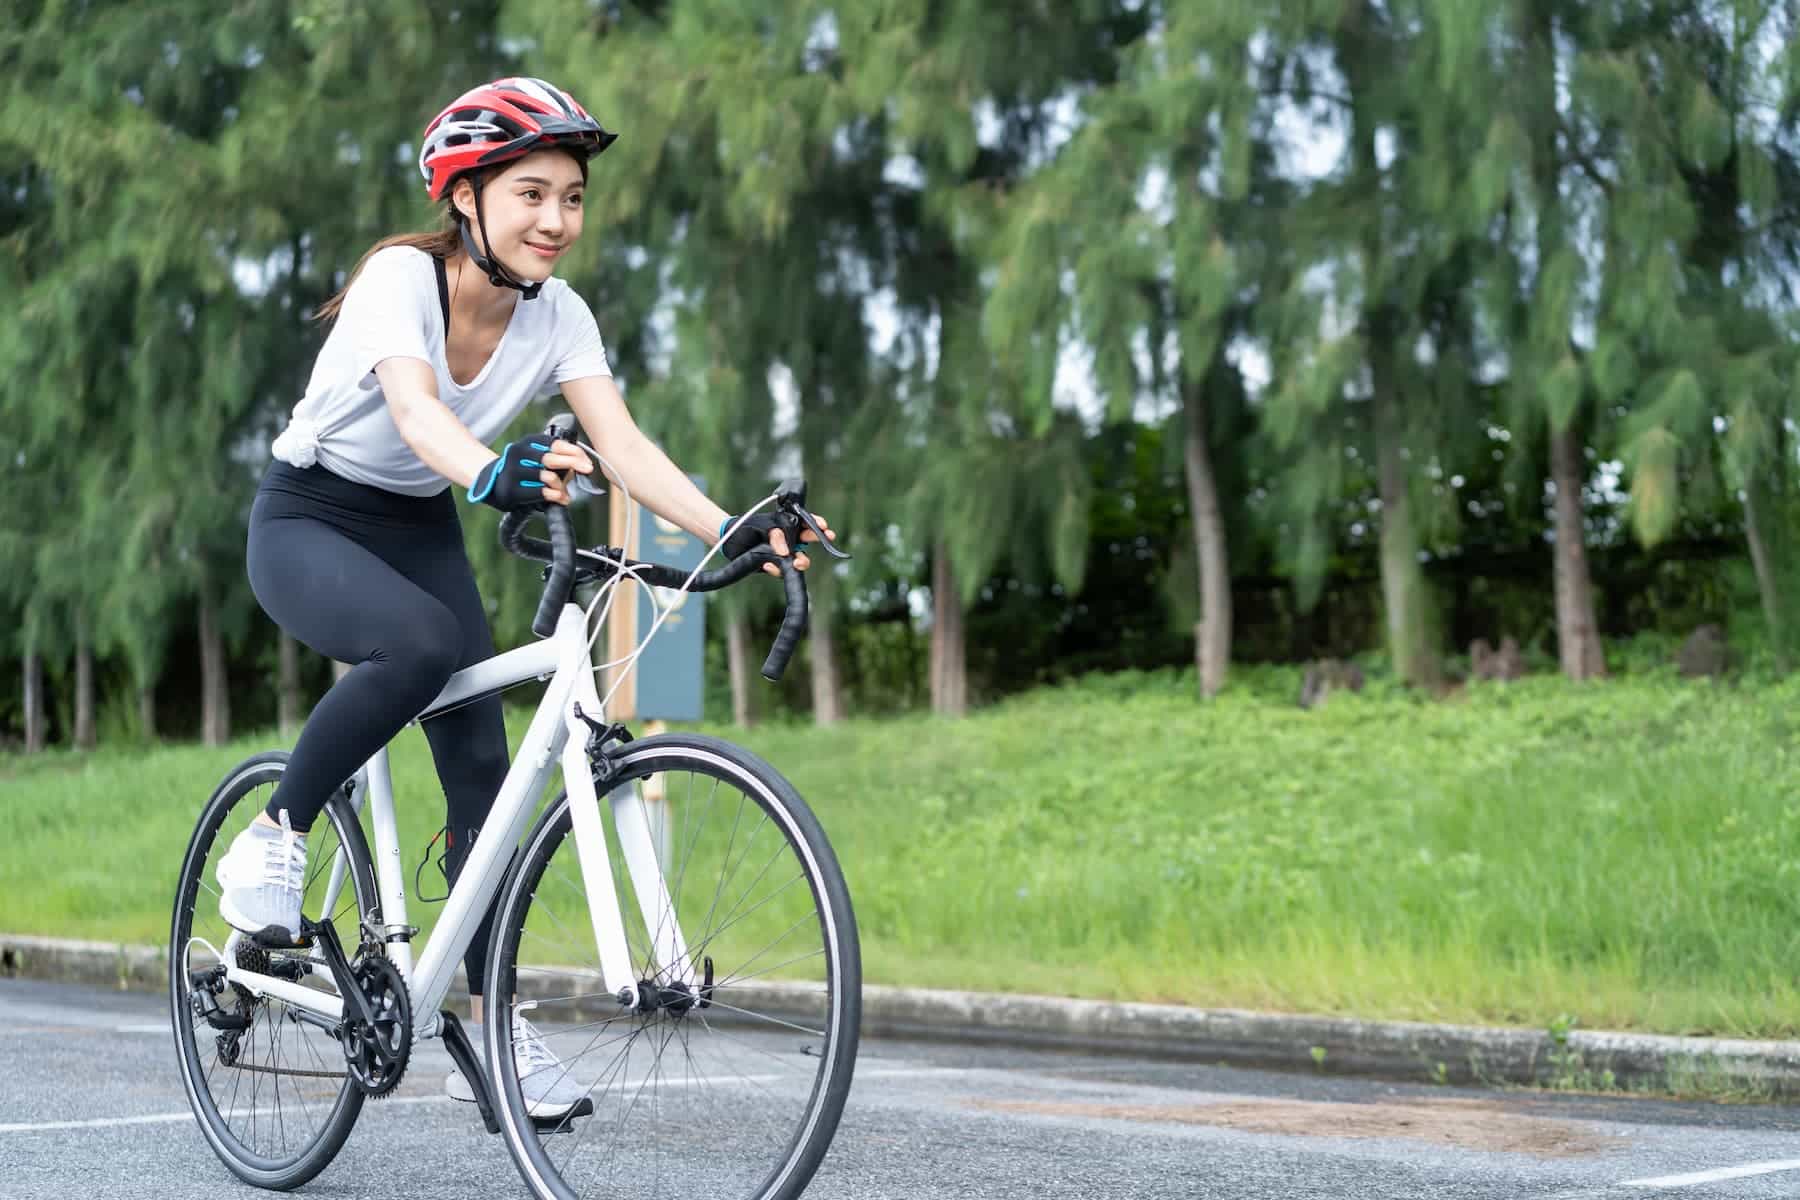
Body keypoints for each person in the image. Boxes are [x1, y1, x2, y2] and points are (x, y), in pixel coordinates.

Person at [212, 76, 834, 1117]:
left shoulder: (561, 318)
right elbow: (416, 412)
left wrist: (733, 527)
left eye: (574, 197)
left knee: (483, 772)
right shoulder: (398, 280)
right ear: (467, 198)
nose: (557, 219)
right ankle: (275, 831)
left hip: (416, 524)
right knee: (417, 648)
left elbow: (624, 444)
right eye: (532, 194)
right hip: (310, 518)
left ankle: (492, 1021)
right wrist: (494, 470)